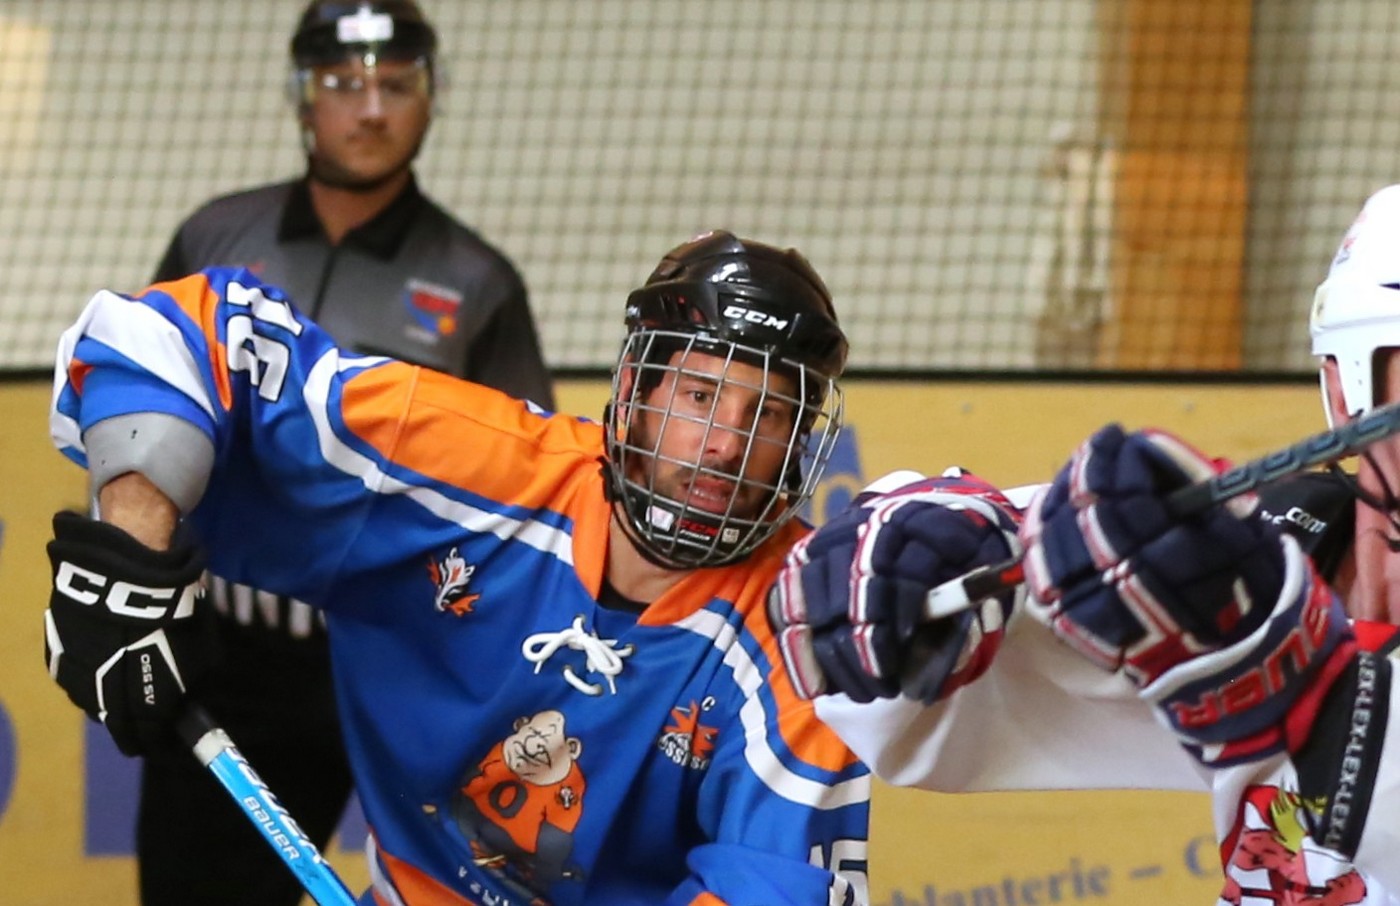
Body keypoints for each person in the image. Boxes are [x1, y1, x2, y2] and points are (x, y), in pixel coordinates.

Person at [44, 229, 870, 905]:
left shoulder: (807, 629)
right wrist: (131, 557)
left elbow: (774, 887)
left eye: (767, 415)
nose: (725, 444)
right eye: (699, 396)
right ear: (638, 391)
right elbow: (172, 332)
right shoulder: (480, 472)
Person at [768, 185, 1400, 904]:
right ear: (1347, 389)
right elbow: (914, 720)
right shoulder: (1289, 551)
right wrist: (921, 547)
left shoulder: (1269, 606)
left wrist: (1288, 674)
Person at [134, 2, 554, 903]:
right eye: (342, 84)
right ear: (301, 96)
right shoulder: (215, 238)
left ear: (431, 98)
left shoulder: (478, 281)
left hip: (406, 662)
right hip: (228, 660)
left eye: (396, 85)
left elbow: (526, 494)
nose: (370, 109)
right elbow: (146, 409)